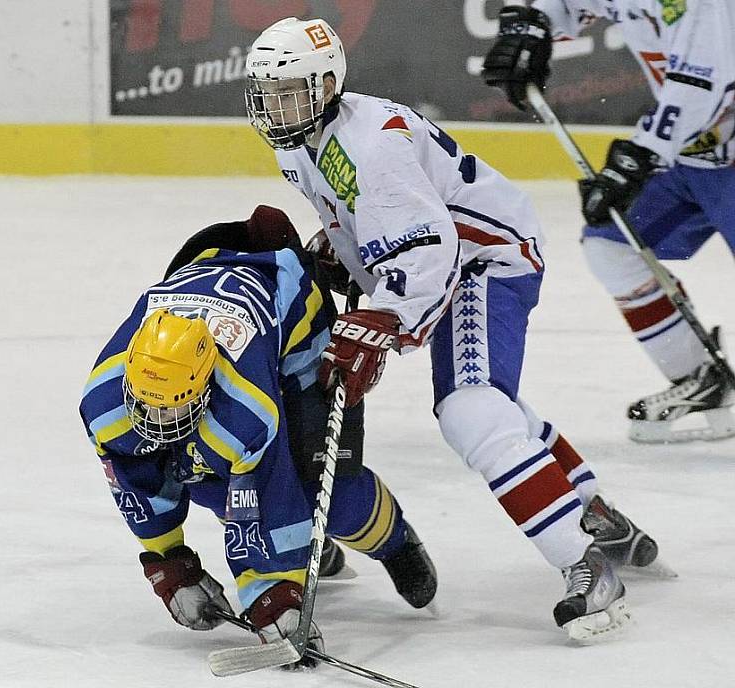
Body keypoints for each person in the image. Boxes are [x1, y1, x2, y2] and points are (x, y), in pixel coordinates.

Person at [243, 17, 662, 641]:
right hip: (456, 256)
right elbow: (366, 218)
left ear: (328, 85)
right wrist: (344, 255)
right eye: (266, 95)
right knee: (493, 401)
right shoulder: (301, 141)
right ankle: (593, 513)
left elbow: (429, 249)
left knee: (470, 407)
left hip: (483, 258)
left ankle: (585, 563)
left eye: (289, 93)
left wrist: (384, 320)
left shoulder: (372, 143)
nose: (275, 109)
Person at [78, 205, 437, 669]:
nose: (157, 421)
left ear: (205, 387)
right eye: (146, 406)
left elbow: (264, 496)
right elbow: (138, 482)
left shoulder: (242, 410)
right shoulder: (104, 404)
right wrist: (169, 564)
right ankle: (311, 544)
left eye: (174, 408)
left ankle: (396, 542)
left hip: (293, 316)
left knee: (321, 481)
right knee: (200, 469)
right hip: (207, 281)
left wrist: (274, 594)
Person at [482, 1, 735, 443]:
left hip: (704, 142)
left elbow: (704, 79)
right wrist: (534, 25)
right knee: (611, 245)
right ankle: (701, 378)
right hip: (693, 158)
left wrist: (641, 154)